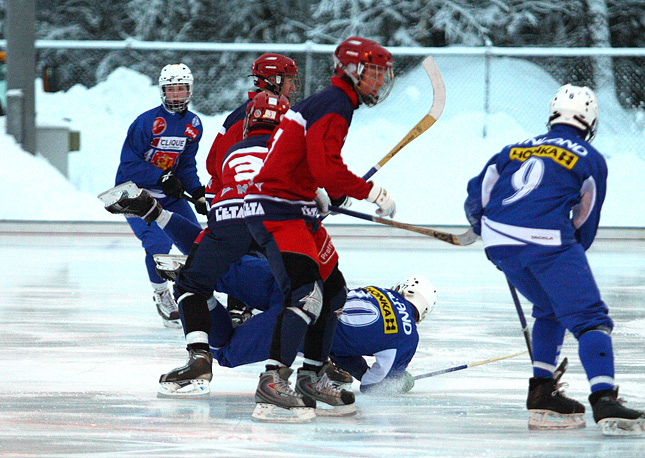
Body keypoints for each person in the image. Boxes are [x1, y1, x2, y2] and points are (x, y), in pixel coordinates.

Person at [464, 84, 645, 435]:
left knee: (549, 309)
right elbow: (586, 215)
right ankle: (605, 399)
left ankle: (542, 392)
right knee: (590, 318)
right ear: (590, 120)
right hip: (547, 241)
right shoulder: (589, 156)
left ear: (552, 115)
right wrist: (570, 249)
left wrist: (483, 227)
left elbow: (479, 191)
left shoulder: (514, 148)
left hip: (498, 240)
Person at [243, 36, 397, 423]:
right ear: (352, 70)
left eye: (382, 73)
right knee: (307, 294)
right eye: (374, 72)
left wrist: (317, 192)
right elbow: (327, 165)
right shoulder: (336, 104)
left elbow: (310, 160)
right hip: (277, 208)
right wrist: (369, 191)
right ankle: (273, 379)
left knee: (333, 291)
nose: (380, 81)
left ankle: (311, 376)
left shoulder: (334, 102)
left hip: (297, 205)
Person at [152, 92, 292, 403]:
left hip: (228, 221)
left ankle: (199, 358)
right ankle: (306, 371)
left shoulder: (234, 149)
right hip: (270, 231)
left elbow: (222, 194)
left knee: (191, 284)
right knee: (306, 294)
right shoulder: (289, 148)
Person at [114, 63, 207, 328]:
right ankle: (162, 294)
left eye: (181, 89)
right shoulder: (146, 123)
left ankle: (194, 295)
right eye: (171, 89)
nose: (176, 95)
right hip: (136, 193)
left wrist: (197, 192)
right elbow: (128, 164)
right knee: (157, 242)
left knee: (196, 244)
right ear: (162, 91)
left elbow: (186, 165)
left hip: (169, 194)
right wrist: (161, 177)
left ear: (189, 91)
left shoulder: (194, 124)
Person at [204, 53, 300, 203]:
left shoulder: (270, 113)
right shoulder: (248, 118)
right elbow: (217, 164)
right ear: (274, 81)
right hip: (235, 197)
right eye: (289, 81)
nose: (293, 87)